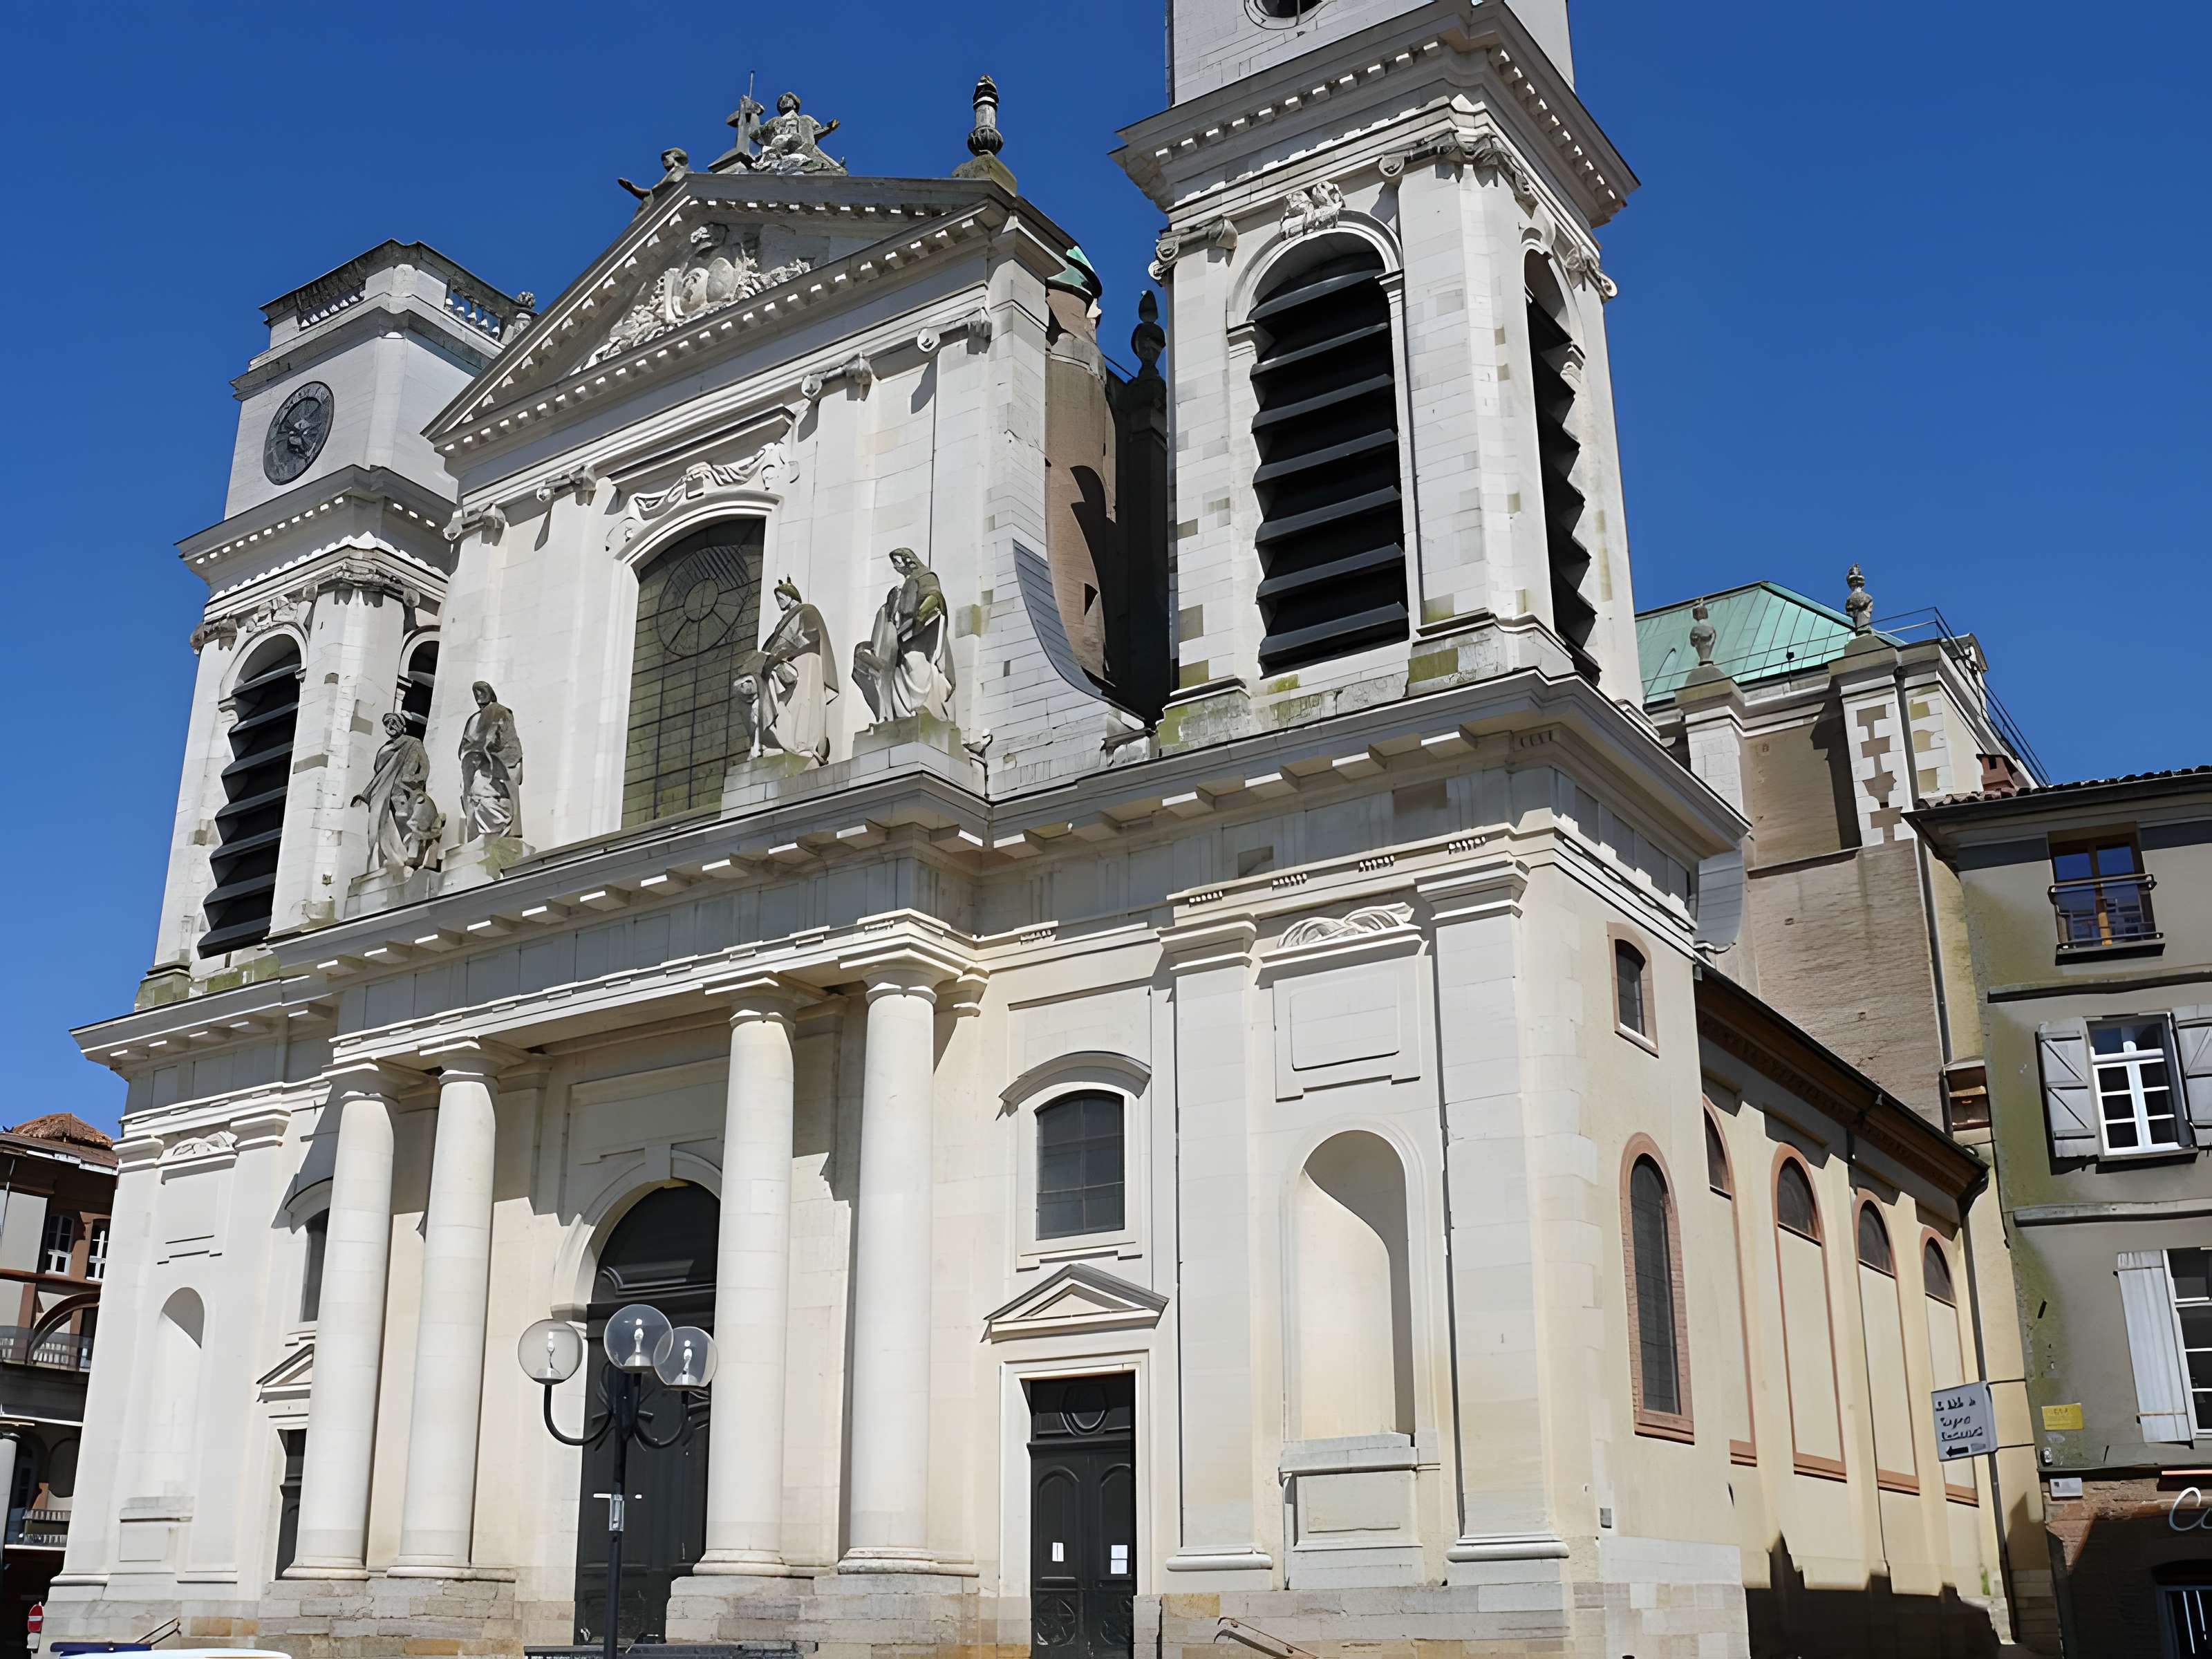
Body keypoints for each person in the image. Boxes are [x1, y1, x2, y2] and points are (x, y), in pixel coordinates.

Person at [852, 548, 955, 724]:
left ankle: (917, 709)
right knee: (901, 671)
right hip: (903, 642)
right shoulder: (903, 589)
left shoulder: (926, 577)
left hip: (919, 638)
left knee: (916, 665)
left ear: (909, 561)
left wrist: (919, 619)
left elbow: (935, 599)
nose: (896, 567)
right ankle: (903, 714)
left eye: (898, 562)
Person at [753, 577, 839, 764]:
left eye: (782, 597)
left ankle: (803, 745)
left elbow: (811, 634)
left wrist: (784, 652)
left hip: (805, 661)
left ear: (792, 597)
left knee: (804, 701)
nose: (780, 602)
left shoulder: (807, 611)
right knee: (786, 704)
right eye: (778, 599)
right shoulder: (783, 621)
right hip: (788, 665)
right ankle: (785, 742)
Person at [352, 712, 442, 875]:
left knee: (407, 820)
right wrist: (367, 794)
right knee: (385, 825)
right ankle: (394, 857)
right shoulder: (384, 750)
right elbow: (378, 776)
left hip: (406, 790)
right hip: (386, 794)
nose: (390, 726)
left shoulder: (412, 743)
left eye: (394, 722)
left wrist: (414, 780)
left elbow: (424, 767)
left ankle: (410, 856)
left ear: (402, 726)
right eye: (387, 724)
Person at [458, 681, 524, 840]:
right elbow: (465, 743)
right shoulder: (473, 719)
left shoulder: (500, 712)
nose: (479, 696)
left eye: (481, 691)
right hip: (475, 764)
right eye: (476, 693)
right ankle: (484, 832)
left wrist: (491, 750)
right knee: (473, 794)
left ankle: (496, 830)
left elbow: (509, 742)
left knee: (484, 792)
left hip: (493, 764)